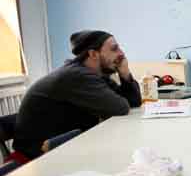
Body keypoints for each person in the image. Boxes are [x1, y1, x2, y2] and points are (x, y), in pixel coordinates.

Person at [13, 30, 142, 161]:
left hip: (65, 146)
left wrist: (125, 74)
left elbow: (133, 102)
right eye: (114, 49)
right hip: (39, 157)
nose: (121, 53)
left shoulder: (93, 74)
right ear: (93, 54)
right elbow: (121, 107)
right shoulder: (77, 76)